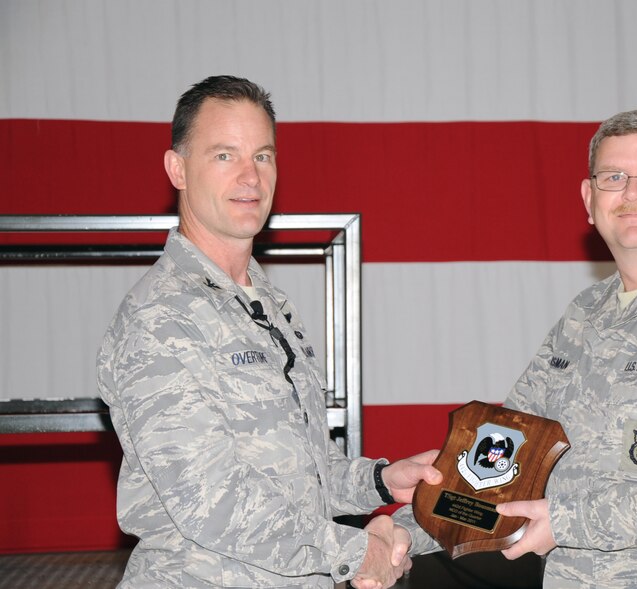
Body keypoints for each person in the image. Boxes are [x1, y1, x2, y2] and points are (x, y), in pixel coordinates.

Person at [399, 110, 637, 587]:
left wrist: (570, 521)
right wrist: (396, 533)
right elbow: (507, 454)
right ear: (590, 199)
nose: (632, 193)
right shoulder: (585, 314)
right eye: (613, 177)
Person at [97, 75, 441, 589]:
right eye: (224, 156)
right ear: (177, 169)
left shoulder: (267, 303)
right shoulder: (162, 317)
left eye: (263, 156)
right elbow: (213, 502)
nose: (250, 177)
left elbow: (299, 470)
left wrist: (380, 480)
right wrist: (357, 551)